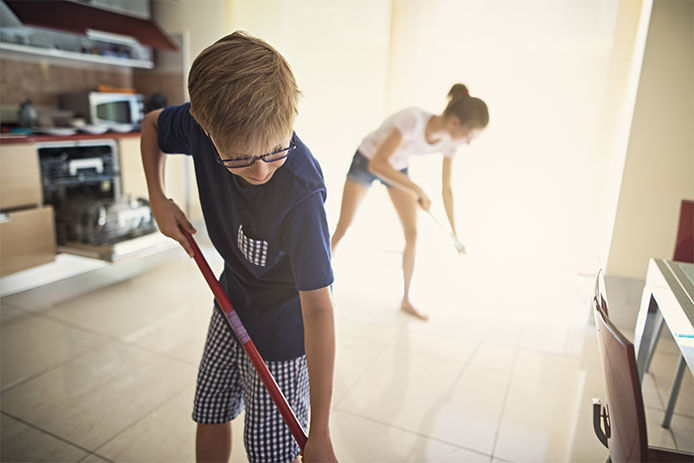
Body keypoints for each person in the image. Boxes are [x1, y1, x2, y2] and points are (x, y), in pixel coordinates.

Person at [140, 31, 337, 463]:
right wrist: (159, 199)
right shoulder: (197, 127)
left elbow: (319, 309)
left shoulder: (301, 192)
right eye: (242, 159)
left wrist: (319, 432)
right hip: (229, 299)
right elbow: (152, 124)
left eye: (275, 150)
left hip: (284, 332)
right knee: (210, 411)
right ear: (205, 128)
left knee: (270, 451)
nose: (262, 169)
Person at [330, 84, 489, 321]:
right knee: (343, 226)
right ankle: (314, 286)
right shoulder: (413, 120)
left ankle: (406, 299)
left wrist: (455, 234)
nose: (468, 143)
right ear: (455, 122)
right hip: (367, 160)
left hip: (397, 166)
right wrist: (415, 189)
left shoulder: (450, 143)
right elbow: (377, 164)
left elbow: (446, 189)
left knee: (412, 234)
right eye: (469, 136)